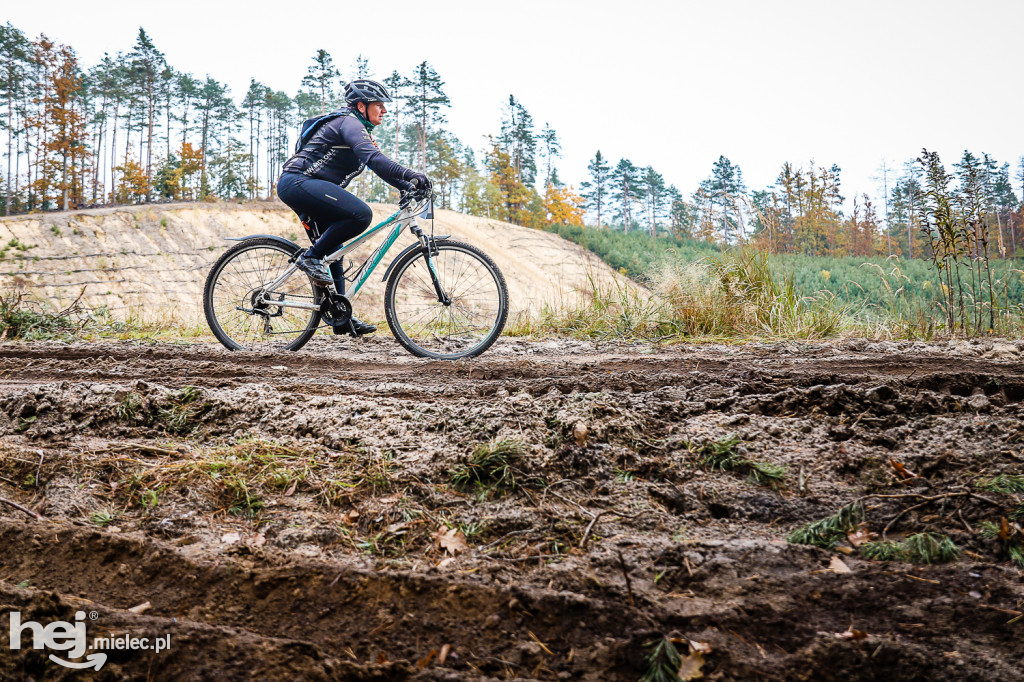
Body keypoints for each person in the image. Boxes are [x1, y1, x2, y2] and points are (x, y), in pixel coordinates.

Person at [277, 79, 431, 336]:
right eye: (379, 105)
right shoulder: (348, 123)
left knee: (334, 252)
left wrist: (407, 186)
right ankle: (310, 258)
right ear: (362, 105)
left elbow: (378, 167)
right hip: (298, 182)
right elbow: (375, 159)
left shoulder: (359, 130)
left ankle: (340, 318)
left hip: (308, 187)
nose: (384, 111)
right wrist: (411, 173)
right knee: (360, 214)